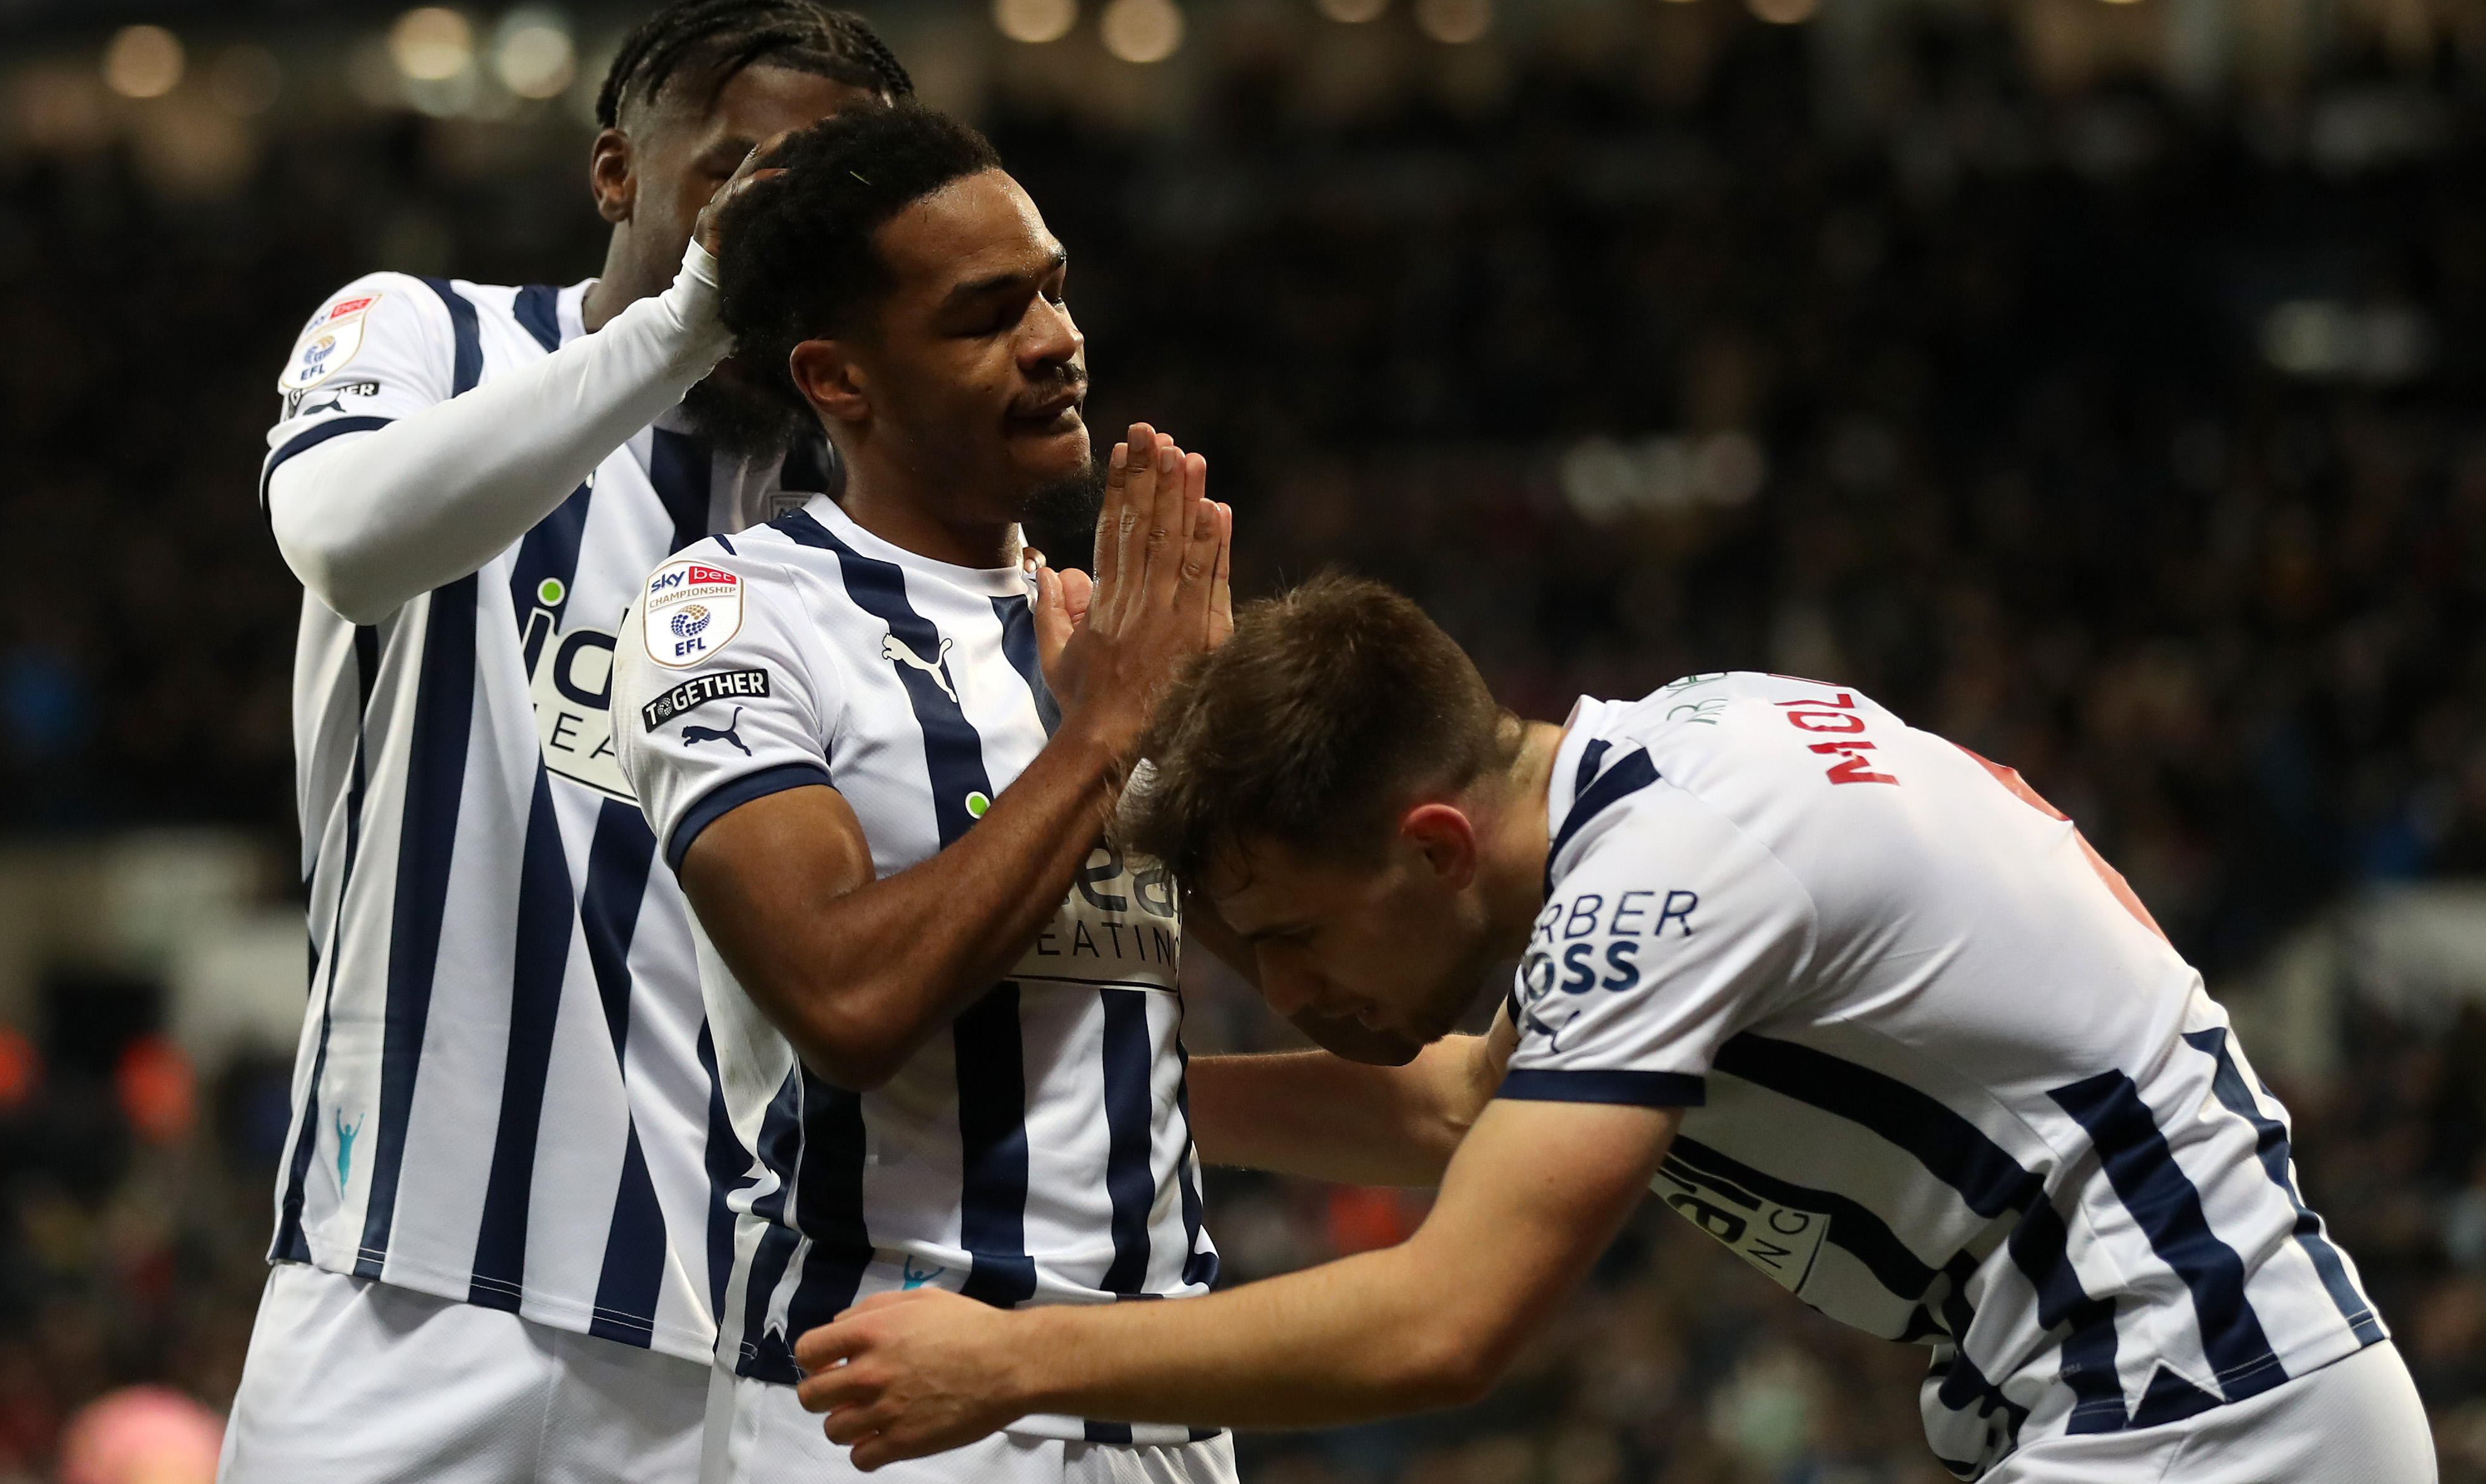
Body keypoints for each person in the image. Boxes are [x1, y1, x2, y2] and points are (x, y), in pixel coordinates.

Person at [793, 576, 2437, 1483]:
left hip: (2206, 1419)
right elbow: (1455, 1115)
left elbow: (1449, 1320)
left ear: (1433, 843)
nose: (1294, 991)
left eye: (1293, 939)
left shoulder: (1672, 873)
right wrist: (1104, 1080)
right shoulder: (1666, 772)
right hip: (2195, 1403)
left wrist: (1013, 1356)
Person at [610, 106, 1498, 1484]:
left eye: (1053, 287)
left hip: (1159, 1415)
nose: (1053, 339)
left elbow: (1377, 1019)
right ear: (837, 377)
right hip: (880, 1417)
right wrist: (1108, 728)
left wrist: (1184, 743)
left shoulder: (1112, 632)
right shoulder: (726, 614)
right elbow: (844, 1004)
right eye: (984, 314)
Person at [223, 0, 911, 1484]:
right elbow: (345, 538)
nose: (771, 234)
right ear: (618, 173)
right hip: (395, 1282)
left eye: (822, 207)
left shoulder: (851, 515)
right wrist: (684, 321)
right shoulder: (419, 332)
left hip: (734, 1338)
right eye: (730, 172)